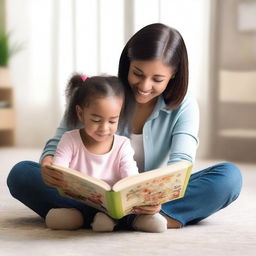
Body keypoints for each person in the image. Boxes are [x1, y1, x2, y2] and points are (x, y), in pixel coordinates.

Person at [7, 23, 242, 230]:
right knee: (21, 173)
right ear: (128, 63)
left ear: (173, 75)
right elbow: (59, 141)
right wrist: (49, 164)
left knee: (229, 177)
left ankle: (99, 218)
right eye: (137, 73)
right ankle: (134, 220)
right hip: (94, 193)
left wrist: (158, 196)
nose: (144, 86)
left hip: (150, 196)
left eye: (157, 79)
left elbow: (181, 164)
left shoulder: (184, 105)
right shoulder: (106, 94)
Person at [43, 74, 167, 232]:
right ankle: (97, 219)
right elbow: (59, 170)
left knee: (133, 210)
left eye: (112, 121)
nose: (104, 128)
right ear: (81, 114)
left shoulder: (122, 144)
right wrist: (54, 173)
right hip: (79, 202)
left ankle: (120, 219)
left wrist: (142, 198)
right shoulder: (70, 140)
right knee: (26, 173)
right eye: (96, 120)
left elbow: (131, 178)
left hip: (116, 206)